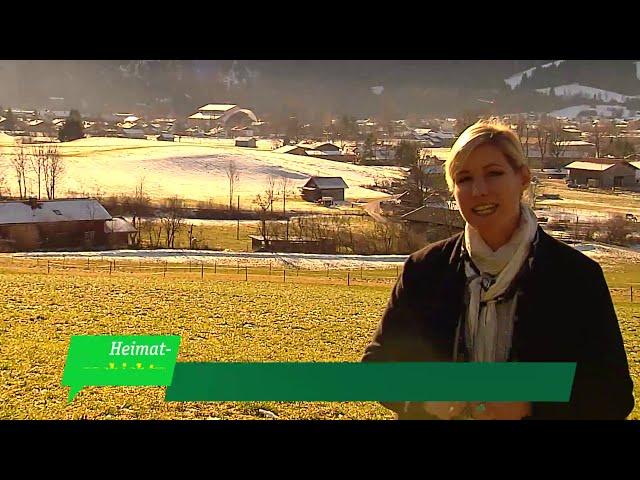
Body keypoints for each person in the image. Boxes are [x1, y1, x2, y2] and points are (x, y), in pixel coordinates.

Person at [362, 119, 635, 420]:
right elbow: (378, 367)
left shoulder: (576, 277)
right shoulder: (424, 271)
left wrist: (531, 404)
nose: (479, 190)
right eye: (464, 179)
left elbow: (613, 395)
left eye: (494, 174)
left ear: (523, 178)